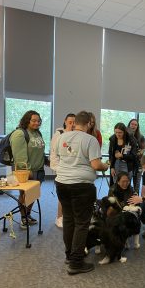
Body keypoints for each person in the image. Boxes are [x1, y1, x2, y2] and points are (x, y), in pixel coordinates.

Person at [55, 111, 109, 275]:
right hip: (81, 186)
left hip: (62, 183)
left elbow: (61, 158)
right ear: (89, 123)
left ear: (75, 122)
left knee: (69, 220)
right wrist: (105, 166)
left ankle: (69, 255)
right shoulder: (90, 139)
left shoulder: (62, 137)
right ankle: (76, 262)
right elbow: (95, 165)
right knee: (81, 223)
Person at [10, 110, 45, 229]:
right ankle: (23, 218)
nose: (37, 123)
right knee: (24, 195)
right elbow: (20, 158)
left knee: (33, 196)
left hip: (39, 170)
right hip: (27, 172)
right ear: (27, 120)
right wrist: (28, 172)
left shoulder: (37, 133)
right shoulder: (20, 134)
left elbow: (40, 152)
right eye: (34, 120)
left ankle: (28, 215)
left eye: (38, 121)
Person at [50, 113, 76, 228]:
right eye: (70, 122)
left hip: (73, 169)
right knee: (63, 195)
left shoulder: (76, 136)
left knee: (72, 195)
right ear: (65, 122)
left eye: (74, 122)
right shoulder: (59, 134)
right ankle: (59, 217)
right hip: (61, 170)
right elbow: (53, 153)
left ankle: (68, 216)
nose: (72, 124)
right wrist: (57, 168)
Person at [127, 119, 145, 194]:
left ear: (137, 126)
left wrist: (138, 153)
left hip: (138, 163)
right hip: (128, 163)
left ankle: (136, 202)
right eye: (132, 124)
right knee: (127, 182)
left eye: (135, 125)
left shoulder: (141, 137)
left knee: (137, 184)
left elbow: (143, 149)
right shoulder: (125, 136)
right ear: (129, 125)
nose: (133, 126)